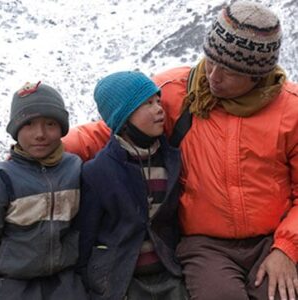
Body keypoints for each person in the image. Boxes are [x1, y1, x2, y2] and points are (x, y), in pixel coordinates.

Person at [63, 1, 298, 299]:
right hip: (205, 244)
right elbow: (109, 129)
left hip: (273, 238)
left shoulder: (290, 110)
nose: (213, 77)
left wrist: (287, 249)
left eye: (230, 72)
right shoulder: (177, 91)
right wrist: (46, 150)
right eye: (210, 61)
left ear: (257, 76)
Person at [76, 71, 188, 300]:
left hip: (169, 274)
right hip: (122, 281)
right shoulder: (98, 172)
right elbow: (86, 236)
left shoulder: (172, 159)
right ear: (123, 116)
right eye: (147, 104)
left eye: (158, 101)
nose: (159, 108)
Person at [0, 81, 88, 300]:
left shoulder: (75, 168)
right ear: (15, 130)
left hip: (67, 284)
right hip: (13, 285)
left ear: (62, 128)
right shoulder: (4, 177)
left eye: (50, 124)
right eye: (28, 124)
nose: (40, 134)